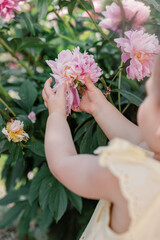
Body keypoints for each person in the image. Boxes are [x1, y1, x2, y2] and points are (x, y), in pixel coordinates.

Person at [42, 54, 160, 240]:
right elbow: (137, 141)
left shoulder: (129, 179)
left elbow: (62, 164)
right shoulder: (155, 155)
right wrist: (99, 107)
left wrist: (56, 115)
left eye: (150, 95)